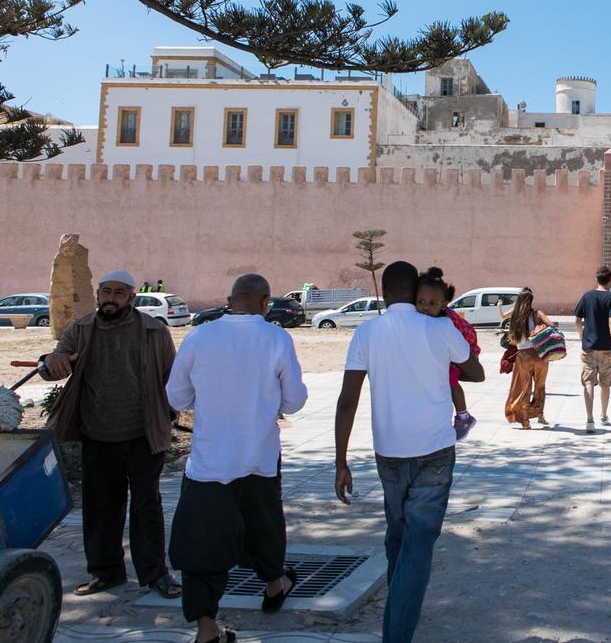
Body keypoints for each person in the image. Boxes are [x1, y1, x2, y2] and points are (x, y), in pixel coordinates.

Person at [334, 261, 485, 642]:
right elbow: (475, 372)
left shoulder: (367, 332)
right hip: (434, 449)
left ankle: (398, 604)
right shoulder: (441, 327)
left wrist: (340, 461)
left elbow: (347, 401)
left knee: (398, 532)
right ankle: (397, 631)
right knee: (416, 544)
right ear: (415, 290)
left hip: (389, 452)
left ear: (385, 292)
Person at [167, 274, 308, 643]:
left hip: (209, 461)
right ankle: (275, 585)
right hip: (259, 457)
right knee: (264, 527)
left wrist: (210, 399)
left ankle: (206, 629)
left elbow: (176, 397)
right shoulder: (277, 338)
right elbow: (294, 401)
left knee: (202, 544)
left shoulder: (199, 336)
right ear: (265, 302)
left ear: (229, 299)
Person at [40, 270, 182, 599]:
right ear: (98, 294)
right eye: (105, 292)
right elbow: (50, 368)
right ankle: (106, 573)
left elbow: (171, 378)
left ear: (132, 297)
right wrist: (53, 360)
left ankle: (156, 574)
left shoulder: (153, 331)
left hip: (143, 435)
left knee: (147, 506)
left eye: (118, 293)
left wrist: (168, 416)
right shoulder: (81, 329)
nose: (110, 298)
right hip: (97, 434)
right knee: (100, 507)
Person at [417, 268, 480, 440]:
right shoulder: (430, 318)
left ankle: (464, 416)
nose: (425, 307)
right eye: (420, 301)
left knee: (452, 384)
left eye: (432, 304)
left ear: (444, 304)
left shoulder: (445, 322)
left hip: (458, 355)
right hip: (448, 356)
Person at [500, 288, 555, 429]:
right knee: (540, 386)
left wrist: (499, 306)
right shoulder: (537, 314)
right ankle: (540, 414)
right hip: (540, 355)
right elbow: (552, 326)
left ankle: (525, 422)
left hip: (523, 356)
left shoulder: (515, 316)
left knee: (524, 388)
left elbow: (511, 337)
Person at [574, 265, 611, 434]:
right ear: (610, 280)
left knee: (588, 382)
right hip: (606, 347)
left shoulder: (587, 296)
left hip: (589, 346)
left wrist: (581, 336)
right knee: (605, 383)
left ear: (596, 279)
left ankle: (589, 420)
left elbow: (577, 320)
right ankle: (604, 415)